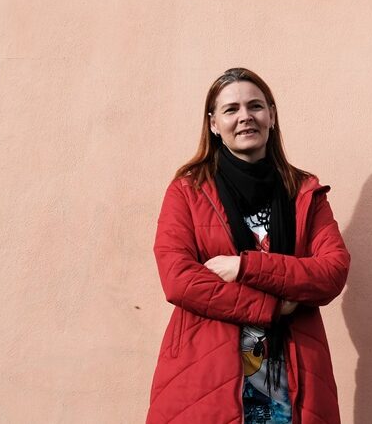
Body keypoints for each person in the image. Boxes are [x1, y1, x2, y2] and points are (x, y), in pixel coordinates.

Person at [147, 68, 350, 424]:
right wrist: (272, 307)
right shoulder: (187, 192)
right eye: (231, 109)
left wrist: (245, 266)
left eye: (255, 106)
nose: (245, 117)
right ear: (213, 123)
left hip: (293, 378)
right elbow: (179, 279)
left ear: (271, 115)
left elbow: (331, 272)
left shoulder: (304, 192)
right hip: (207, 375)